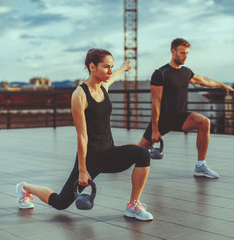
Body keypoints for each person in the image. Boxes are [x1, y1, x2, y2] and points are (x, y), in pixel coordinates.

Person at [16, 49, 153, 221]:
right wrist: (82, 170)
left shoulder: (104, 86)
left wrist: (124, 67)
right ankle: (25, 187)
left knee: (142, 154)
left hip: (109, 153)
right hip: (90, 159)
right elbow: (82, 135)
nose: (110, 71)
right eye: (106, 67)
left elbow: (115, 75)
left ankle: (133, 205)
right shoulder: (80, 95)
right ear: (92, 67)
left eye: (111, 66)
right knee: (60, 203)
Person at [138, 38, 234, 179]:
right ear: (173, 52)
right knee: (139, 149)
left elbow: (204, 81)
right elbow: (155, 103)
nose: (185, 56)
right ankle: (118, 156)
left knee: (204, 122)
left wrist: (222, 85)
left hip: (181, 117)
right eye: (182, 53)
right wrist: (154, 129)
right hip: (162, 120)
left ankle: (201, 166)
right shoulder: (160, 73)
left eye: (187, 53)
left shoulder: (186, 72)